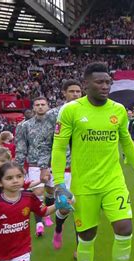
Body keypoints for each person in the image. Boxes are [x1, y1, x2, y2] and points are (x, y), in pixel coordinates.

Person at [51, 62, 134, 261]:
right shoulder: (70, 111)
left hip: (113, 182)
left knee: (124, 228)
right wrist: (59, 183)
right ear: (86, 85)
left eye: (108, 82)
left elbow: (127, 141)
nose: (105, 86)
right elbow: (59, 148)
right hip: (84, 185)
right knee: (86, 236)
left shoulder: (118, 110)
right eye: (99, 82)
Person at [40, 79, 82, 251]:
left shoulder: (87, 111)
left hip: (84, 168)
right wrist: (44, 166)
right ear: (64, 93)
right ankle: (58, 229)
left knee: (82, 208)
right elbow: (43, 142)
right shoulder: (53, 114)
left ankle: (81, 247)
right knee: (65, 207)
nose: (75, 95)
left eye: (78, 92)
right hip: (62, 168)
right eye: (71, 91)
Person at [0, 162, 58, 261]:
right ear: (0, 182)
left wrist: (58, 205)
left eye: (19, 176)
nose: (15, 181)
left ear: (24, 178)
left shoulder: (29, 197)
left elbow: (43, 211)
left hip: (22, 251)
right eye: (9, 178)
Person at [15, 96, 55, 237]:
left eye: (43, 104)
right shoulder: (24, 126)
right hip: (34, 163)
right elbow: (20, 147)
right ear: (33, 108)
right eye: (37, 104)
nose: (40, 107)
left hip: (54, 163)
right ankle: (39, 223)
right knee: (37, 192)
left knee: (51, 191)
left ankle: (46, 213)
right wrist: (19, 167)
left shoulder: (56, 124)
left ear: (48, 106)